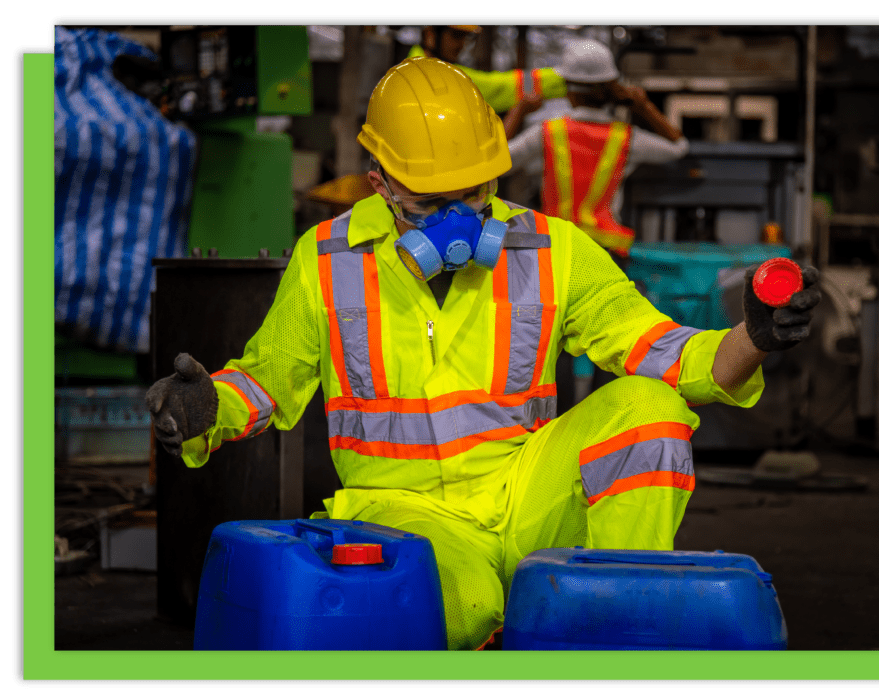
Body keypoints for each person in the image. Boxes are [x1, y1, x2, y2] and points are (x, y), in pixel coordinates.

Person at [145, 57, 821, 651]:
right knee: (450, 610)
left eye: (475, 193)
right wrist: (209, 407)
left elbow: (674, 358)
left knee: (649, 408)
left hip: (527, 493)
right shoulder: (326, 261)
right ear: (379, 181)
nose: (462, 221)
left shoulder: (551, 251)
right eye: (433, 202)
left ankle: (617, 629)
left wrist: (751, 337)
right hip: (407, 516)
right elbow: (269, 381)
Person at [507, 38, 689, 258]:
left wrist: (518, 110)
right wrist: (644, 106)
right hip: (607, 251)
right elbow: (679, 146)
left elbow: (499, 162)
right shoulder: (626, 138)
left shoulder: (547, 132)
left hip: (559, 248)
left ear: (569, 90)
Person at [409, 24, 566, 116]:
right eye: (456, 36)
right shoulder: (433, 73)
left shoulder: (414, 65)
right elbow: (497, 87)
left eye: (466, 37)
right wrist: (565, 78)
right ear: (430, 34)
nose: (462, 44)